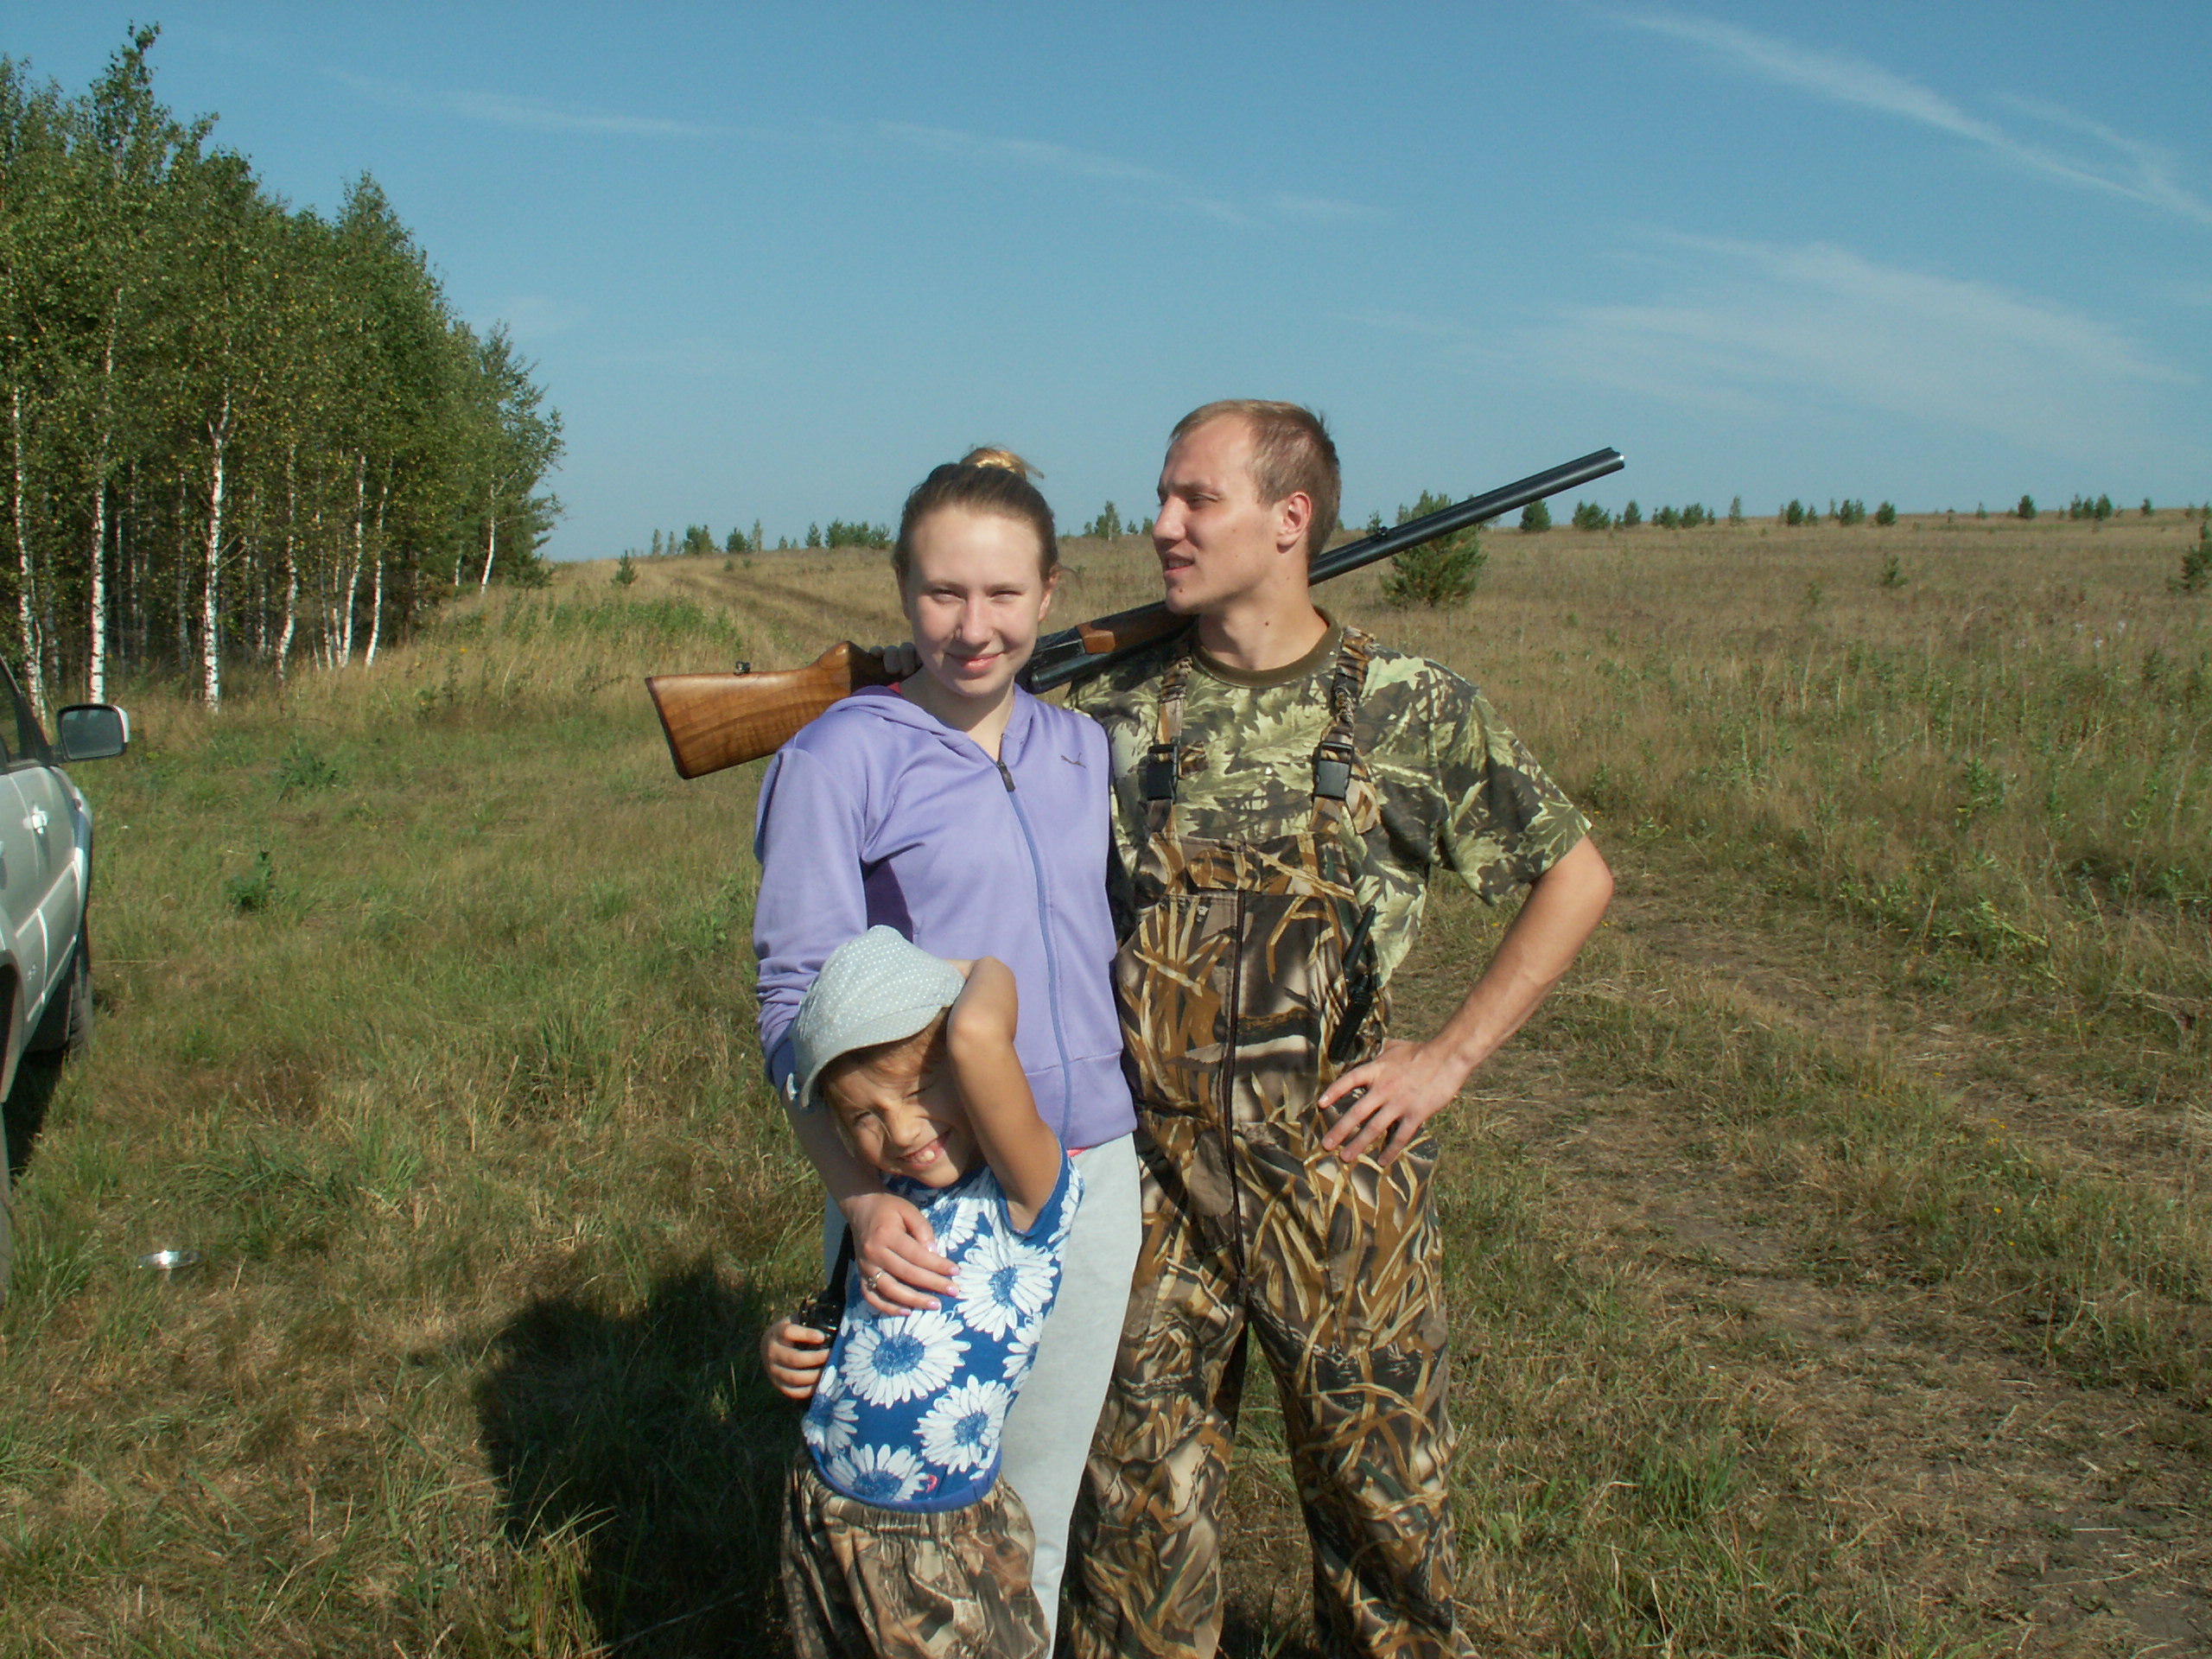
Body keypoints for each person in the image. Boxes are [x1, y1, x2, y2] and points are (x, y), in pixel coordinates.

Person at [1058, 401, 1616, 1659]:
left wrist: (1446, 1061)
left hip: (1339, 1172)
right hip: (1151, 1177)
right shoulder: (1110, 710)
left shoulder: (1409, 706)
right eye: (1163, 496)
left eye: (1197, 499)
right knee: (1131, 1521)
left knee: (1384, 1520)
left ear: (1289, 518)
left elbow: (1575, 877)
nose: (1163, 525)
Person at [751, 449, 1141, 1640]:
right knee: (910, 1517)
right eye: (943, 593)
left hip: (1087, 1176)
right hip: (925, 1187)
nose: (974, 629)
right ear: (900, 592)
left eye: (1005, 594)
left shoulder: (1082, 748)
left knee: (1041, 1511)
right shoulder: (838, 756)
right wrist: (862, 1201)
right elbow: (793, 1012)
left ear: (1052, 593)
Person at [768, 927, 1080, 1659]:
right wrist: (784, 1348)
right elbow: (798, 1097)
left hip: (942, 1546)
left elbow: (975, 1033)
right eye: (865, 1117)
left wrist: (965, 969)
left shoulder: (1025, 1198)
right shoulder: (881, 1202)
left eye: (916, 1090)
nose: (903, 1130)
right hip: (821, 1511)